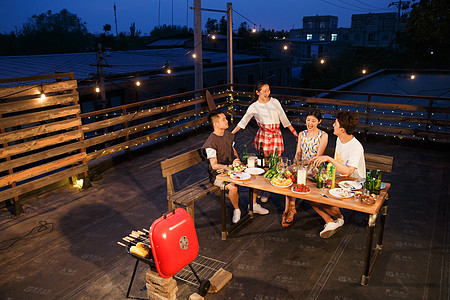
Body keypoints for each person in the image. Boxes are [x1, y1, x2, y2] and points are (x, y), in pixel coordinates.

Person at [232, 80, 298, 202]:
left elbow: (283, 117)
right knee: (263, 163)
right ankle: (263, 187)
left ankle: (268, 190)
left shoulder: (275, 102)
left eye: (268, 90)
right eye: (264, 91)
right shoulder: (254, 106)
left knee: (275, 163)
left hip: (276, 134)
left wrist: (293, 132)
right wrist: (231, 134)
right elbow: (243, 122)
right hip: (263, 135)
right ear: (257, 92)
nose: (267, 93)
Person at [202, 109, 269, 224]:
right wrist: (229, 167)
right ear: (216, 124)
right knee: (233, 187)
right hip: (218, 174)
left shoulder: (228, 135)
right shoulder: (211, 142)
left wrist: (237, 161)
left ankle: (253, 205)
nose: (227, 121)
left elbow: (233, 151)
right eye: (224, 119)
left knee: (255, 175)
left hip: (231, 169)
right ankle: (236, 209)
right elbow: (213, 165)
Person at [310, 111, 366, 238]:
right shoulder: (340, 139)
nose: (333, 125)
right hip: (339, 179)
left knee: (324, 199)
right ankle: (330, 221)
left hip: (355, 184)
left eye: (335, 123)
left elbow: (348, 171)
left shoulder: (356, 147)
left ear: (342, 129)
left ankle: (339, 218)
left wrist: (329, 159)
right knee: (310, 194)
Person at [282, 109, 328, 227]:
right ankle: (289, 209)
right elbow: (298, 152)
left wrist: (302, 164)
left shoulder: (323, 135)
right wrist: (295, 163)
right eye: (308, 120)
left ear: (319, 121)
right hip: (301, 166)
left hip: (315, 167)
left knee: (295, 177)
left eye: (313, 121)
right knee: (288, 175)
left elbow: (318, 157)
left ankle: (290, 210)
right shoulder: (302, 134)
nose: (310, 123)